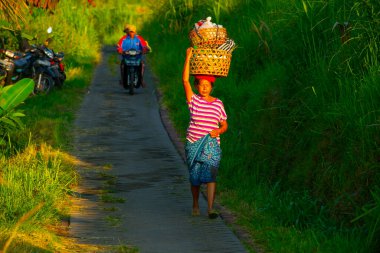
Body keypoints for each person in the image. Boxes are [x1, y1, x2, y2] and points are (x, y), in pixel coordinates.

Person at [182, 47, 228, 219]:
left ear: (211, 87)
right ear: (197, 86)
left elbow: (224, 124)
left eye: (207, 86)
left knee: (211, 176)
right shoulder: (193, 100)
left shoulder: (218, 104)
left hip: (212, 144)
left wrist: (219, 130)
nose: (204, 88)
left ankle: (210, 208)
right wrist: (188, 57)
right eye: (201, 85)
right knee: (194, 177)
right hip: (193, 142)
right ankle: (195, 204)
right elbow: (185, 81)